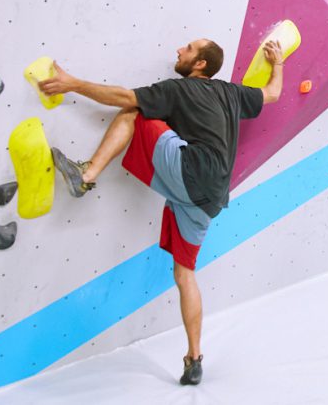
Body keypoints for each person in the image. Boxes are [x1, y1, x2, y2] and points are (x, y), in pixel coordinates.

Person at [38, 38, 285, 385]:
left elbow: (125, 97)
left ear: (200, 64)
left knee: (134, 110)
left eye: (187, 49)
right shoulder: (233, 93)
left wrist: (73, 84)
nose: (178, 51)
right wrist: (278, 63)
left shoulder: (179, 89)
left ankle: (87, 174)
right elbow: (272, 93)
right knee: (185, 274)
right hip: (210, 199)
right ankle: (194, 358)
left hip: (192, 173)